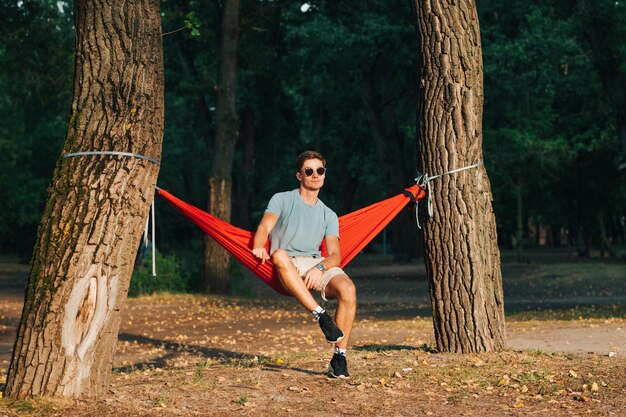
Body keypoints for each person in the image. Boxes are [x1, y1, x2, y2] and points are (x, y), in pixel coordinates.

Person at [252, 150, 357, 379]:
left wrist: (319, 268)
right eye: (309, 171)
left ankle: (340, 357)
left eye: (320, 170)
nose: (315, 175)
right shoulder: (282, 199)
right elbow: (264, 227)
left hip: (316, 264)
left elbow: (335, 255)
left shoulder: (329, 214)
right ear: (299, 175)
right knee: (278, 253)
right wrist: (260, 245)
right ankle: (322, 316)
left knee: (348, 289)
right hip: (287, 263)